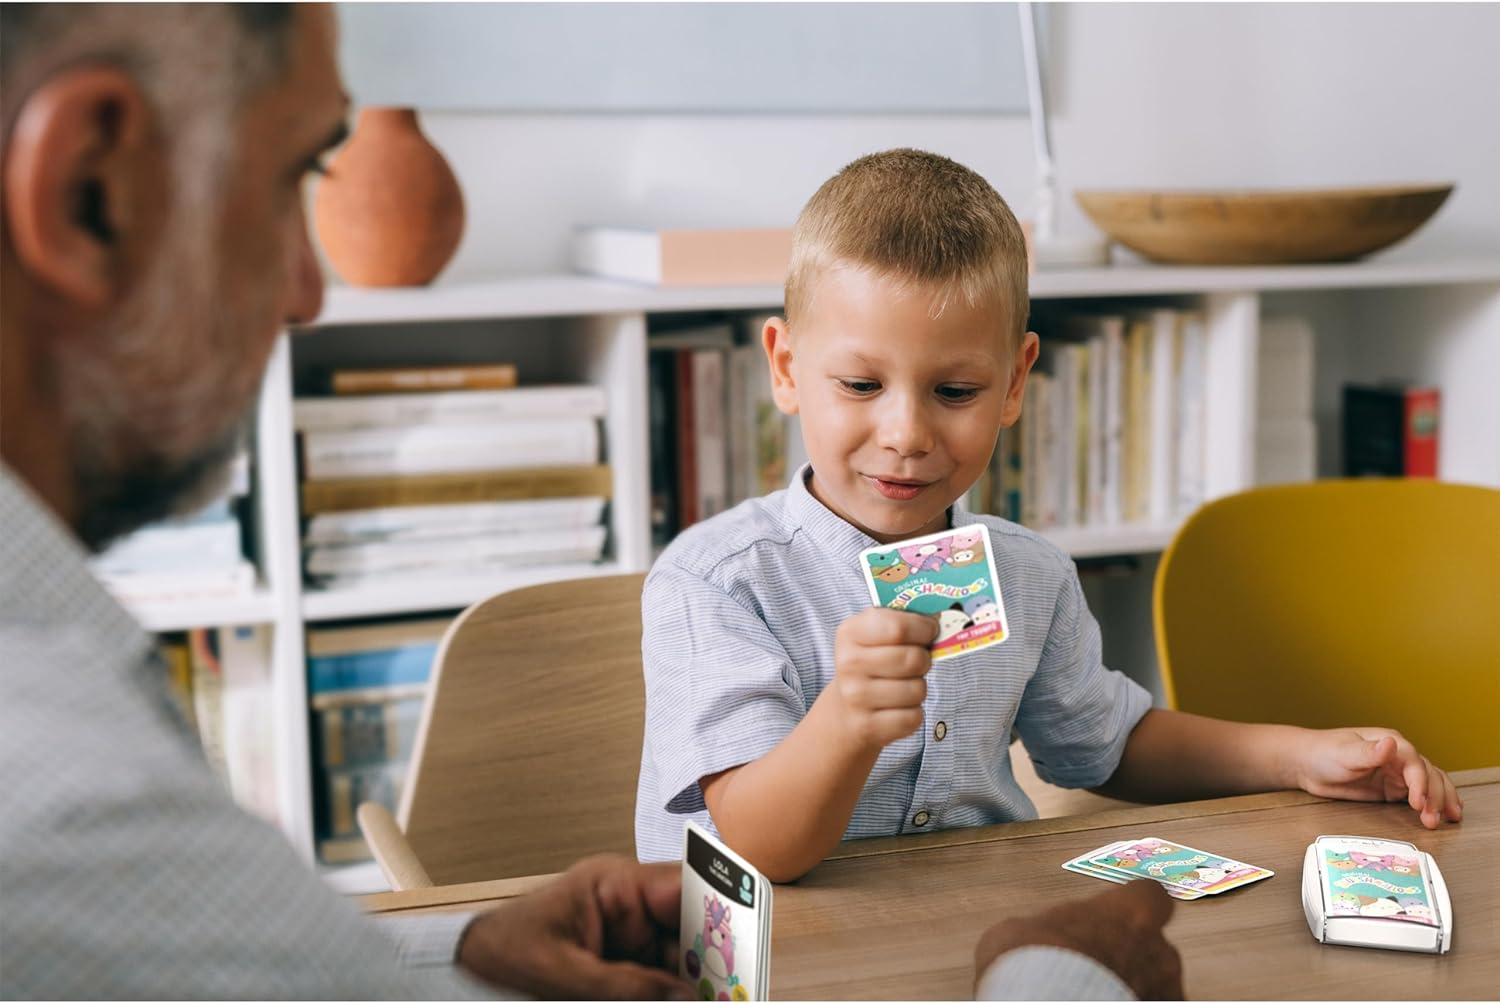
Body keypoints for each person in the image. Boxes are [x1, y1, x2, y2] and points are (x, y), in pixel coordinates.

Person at [0, 5, 1182, 1000]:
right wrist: (1054, 976)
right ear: (86, 189)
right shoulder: (64, 795)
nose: (311, 290)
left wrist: (447, 949)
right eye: (292, 179)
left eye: (957, 386)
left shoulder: (71, 739)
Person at [635, 148, 1463, 883]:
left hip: (974, 934)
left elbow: (1109, 743)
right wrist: (844, 723)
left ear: (1015, 382)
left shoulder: (1028, 573)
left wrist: (1303, 755)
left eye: (955, 391)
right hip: (773, 959)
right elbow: (753, 848)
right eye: (860, 385)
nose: (908, 434)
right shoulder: (716, 584)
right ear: (784, 367)